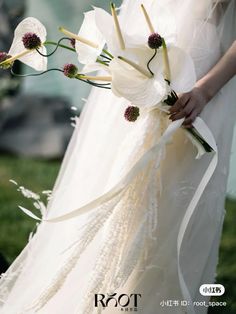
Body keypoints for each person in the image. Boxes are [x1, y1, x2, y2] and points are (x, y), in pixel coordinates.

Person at [0, 0, 235, 313]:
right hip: (133, 63)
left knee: (165, 212)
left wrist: (204, 90)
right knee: (107, 188)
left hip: (196, 81)